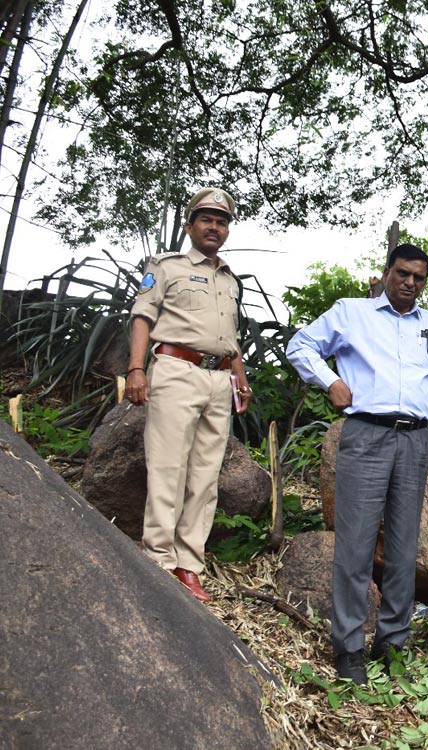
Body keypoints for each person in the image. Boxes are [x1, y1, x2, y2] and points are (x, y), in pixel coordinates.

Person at [286, 243, 428, 685]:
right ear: (387, 272)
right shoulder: (352, 313)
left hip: (414, 439)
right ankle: (349, 647)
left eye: (418, 277)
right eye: (402, 273)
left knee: (404, 546)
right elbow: (301, 346)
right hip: (366, 434)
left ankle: (391, 642)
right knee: (355, 545)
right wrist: (330, 381)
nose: (410, 283)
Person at [125, 187, 251, 604]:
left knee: (205, 477)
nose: (214, 227)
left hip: (219, 380)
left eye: (222, 221)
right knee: (168, 468)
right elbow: (142, 316)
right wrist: (136, 369)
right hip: (176, 370)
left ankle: (188, 565)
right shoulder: (166, 266)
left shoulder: (229, 279)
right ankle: (160, 560)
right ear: (190, 225)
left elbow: (230, 336)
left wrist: (239, 378)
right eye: (207, 219)